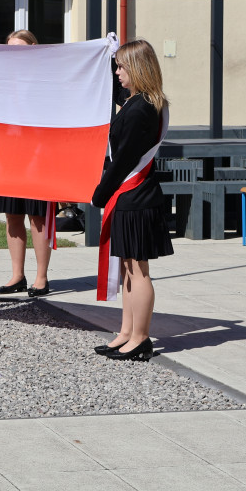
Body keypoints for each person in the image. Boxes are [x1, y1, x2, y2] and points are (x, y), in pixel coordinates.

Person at [91, 39, 171, 362]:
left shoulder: (142, 109)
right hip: (131, 196)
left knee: (138, 270)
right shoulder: (140, 101)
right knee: (127, 268)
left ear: (137, 69)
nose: (118, 72)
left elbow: (124, 160)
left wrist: (101, 192)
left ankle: (140, 337)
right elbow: (116, 93)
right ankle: (126, 332)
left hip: (137, 196)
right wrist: (106, 56)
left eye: (122, 66)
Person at [0, 30, 53, 298]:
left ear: (33, 48)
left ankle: (41, 277)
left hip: (38, 155)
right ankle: (17, 275)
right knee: (12, 215)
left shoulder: (43, 79)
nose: (14, 53)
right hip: (9, 155)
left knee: (37, 217)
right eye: (10, 49)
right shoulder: (2, 80)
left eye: (19, 48)